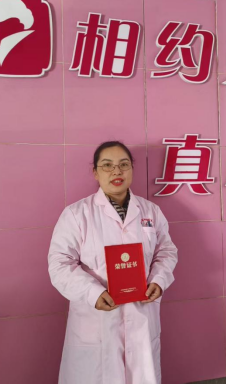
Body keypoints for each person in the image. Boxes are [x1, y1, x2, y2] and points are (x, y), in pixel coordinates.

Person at [48, 141, 178, 384]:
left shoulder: (151, 212)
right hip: (96, 320)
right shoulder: (77, 214)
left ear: (131, 169)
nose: (117, 171)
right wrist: (93, 293)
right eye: (107, 165)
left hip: (141, 315)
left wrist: (159, 280)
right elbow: (59, 264)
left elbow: (166, 251)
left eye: (123, 165)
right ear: (96, 172)